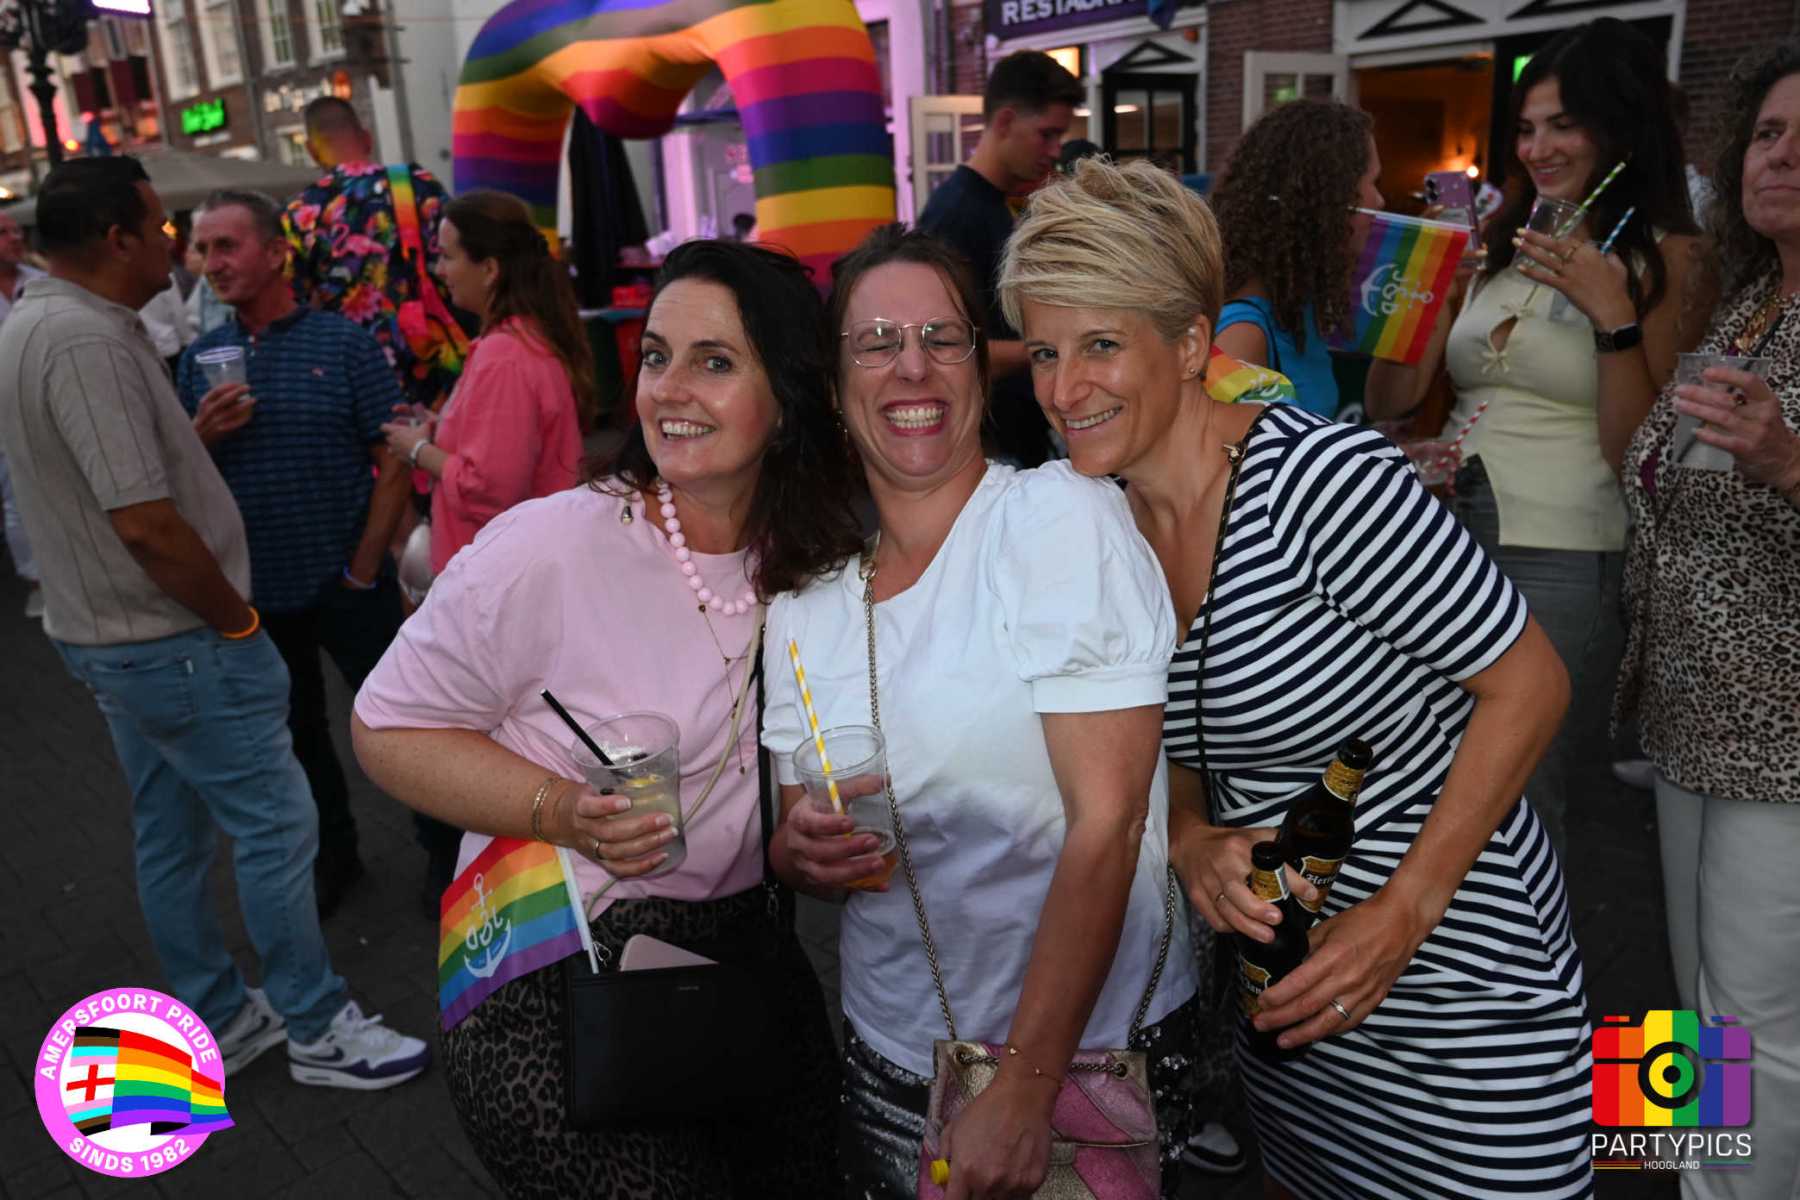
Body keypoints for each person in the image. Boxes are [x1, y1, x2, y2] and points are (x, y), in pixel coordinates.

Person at [1001, 157, 1592, 1198]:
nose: (1062, 390)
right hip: (1291, 1011)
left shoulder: (1321, 485)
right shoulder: (1098, 521)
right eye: (1046, 351)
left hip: (1457, 983)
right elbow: (1178, 731)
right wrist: (1189, 836)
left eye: (1101, 345)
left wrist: (1403, 911)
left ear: (1192, 345)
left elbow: (1532, 683)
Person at [351, 239, 858, 1197]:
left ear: (790, 396)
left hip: (742, 956)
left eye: (715, 361)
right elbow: (385, 727)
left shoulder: (817, 561)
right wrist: (561, 809)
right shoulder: (551, 549)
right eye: (657, 356)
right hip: (557, 969)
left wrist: (803, 845)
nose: (670, 389)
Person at [766, 224, 1201, 1199]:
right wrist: (797, 854)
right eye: (876, 343)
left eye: (942, 338)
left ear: (977, 365)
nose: (912, 367)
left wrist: (1025, 1085)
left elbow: (1110, 823)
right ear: (834, 388)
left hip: (1082, 1059)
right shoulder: (804, 604)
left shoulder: (1055, 520)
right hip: (889, 1046)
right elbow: (803, 833)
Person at [0, 156, 429, 1091]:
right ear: (116, 238)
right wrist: (237, 625)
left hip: (120, 638)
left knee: (173, 832)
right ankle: (316, 1025)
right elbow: (145, 524)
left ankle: (225, 1013)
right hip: (170, 639)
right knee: (276, 823)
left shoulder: (41, 324)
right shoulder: (85, 342)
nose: (180, 251)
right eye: (165, 230)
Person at [1365, 17, 1703, 857]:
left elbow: (1644, 456)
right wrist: (1429, 294)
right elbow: (1388, 402)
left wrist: (1613, 317)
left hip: (1563, 550)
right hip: (1440, 535)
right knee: (1423, 778)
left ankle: (1528, 945)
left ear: (1619, 126)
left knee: (1515, 801)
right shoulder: (1506, 244)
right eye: (1525, 127)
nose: (1537, 148)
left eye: (1563, 124)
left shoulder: (1672, 258)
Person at [1615, 44, 1800, 1200]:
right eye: (1771, 133)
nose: (1782, 156)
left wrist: (1792, 462)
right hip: (1685, 718)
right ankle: (1678, 1173)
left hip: (1781, 742)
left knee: (1760, 1028)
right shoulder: (1748, 305)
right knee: (1683, 1007)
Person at [177, 188, 414, 919]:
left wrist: (365, 568)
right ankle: (335, 858)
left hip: (349, 580)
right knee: (297, 740)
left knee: (405, 723)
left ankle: (449, 853)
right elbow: (179, 484)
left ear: (277, 252)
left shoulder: (342, 343)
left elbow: (395, 456)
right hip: (257, 594)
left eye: (227, 245)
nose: (211, 263)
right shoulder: (198, 361)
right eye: (202, 249)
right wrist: (200, 437)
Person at [379, 191, 587, 579]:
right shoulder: (519, 341)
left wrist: (417, 449)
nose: (440, 270)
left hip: (498, 575)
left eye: (447, 256)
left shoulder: (505, 354)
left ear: (489, 268)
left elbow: (490, 489)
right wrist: (438, 428)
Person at [917, 50, 1082, 468]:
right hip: (990, 446)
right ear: (1006, 121)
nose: (1055, 150)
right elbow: (938, 346)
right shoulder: (956, 214)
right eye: (1046, 134)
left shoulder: (995, 203)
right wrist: (1046, 348)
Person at [1209, 98, 1385, 419]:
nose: (1380, 200)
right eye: (1373, 182)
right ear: (1331, 196)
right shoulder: (1245, 334)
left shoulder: (1295, 310)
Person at [283, 97, 462, 410]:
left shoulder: (301, 212)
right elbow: (461, 259)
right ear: (367, 138)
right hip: (432, 366)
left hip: (354, 376)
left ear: (312, 151)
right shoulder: (419, 185)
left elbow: (293, 302)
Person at [0, 208, 47, 618]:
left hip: (43, 401)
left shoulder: (40, 283)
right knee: (15, 494)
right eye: (4, 233)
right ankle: (36, 580)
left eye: (17, 231)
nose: (16, 238)